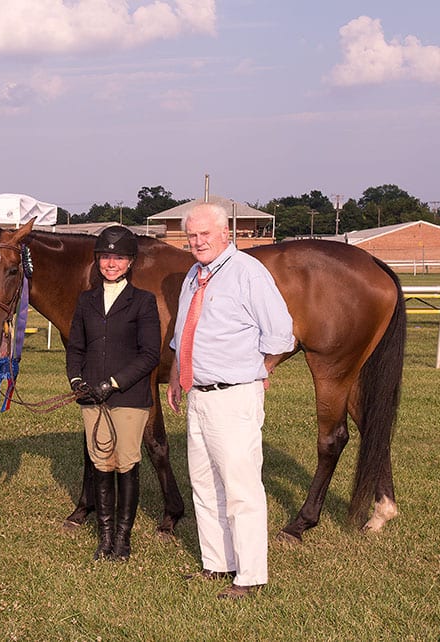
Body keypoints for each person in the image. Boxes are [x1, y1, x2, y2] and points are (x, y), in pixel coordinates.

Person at [166, 203, 296, 599]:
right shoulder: (195, 274)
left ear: (226, 234)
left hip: (234, 396)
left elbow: (280, 334)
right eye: (191, 235)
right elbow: (183, 333)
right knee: (204, 484)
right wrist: (176, 375)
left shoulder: (247, 272)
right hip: (198, 395)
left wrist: (259, 371)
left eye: (205, 234)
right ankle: (218, 563)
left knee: (241, 488)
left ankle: (251, 575)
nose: (198, 241)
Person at [65, 226, 161, 561]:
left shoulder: (143, 302)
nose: (111, 263)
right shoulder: (86, 300)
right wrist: (76, 380)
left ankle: (123, 537)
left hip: (128, 397)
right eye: (106, 256)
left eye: (118, 257)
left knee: (125, 463)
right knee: (101, 462)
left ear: (130, 262)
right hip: (92, 395)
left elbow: (150, 354)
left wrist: (114, 383)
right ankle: (104, 536)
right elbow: (76, 346)